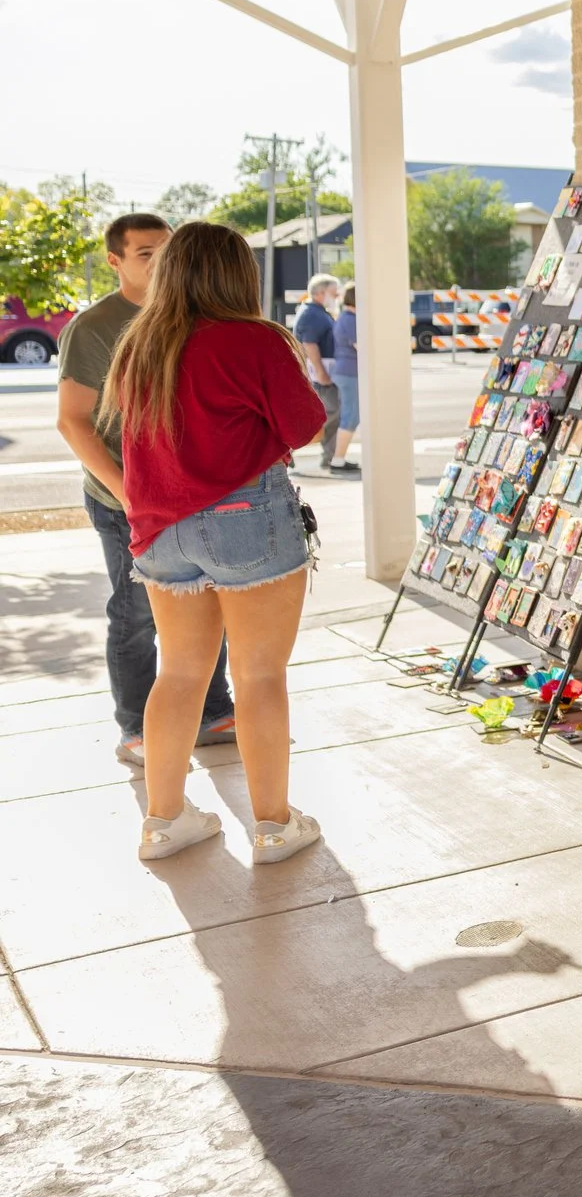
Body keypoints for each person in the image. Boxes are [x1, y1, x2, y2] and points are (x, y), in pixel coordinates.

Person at [102, 221, 329, 864]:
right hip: (244, 516)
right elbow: (305, 424)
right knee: (258, 675)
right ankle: (274, 826)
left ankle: (164, 821)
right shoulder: (253, 340)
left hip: (158, 529)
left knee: (177, 673)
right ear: (238, 274)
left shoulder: (139, 343)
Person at [55, 212, 236, 766]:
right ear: (115, 260)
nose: (159, 262)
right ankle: (135, 725)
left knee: (208, 601)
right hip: (124, 500)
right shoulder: (94, 327)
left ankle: (212, 710)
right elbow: (73, 421)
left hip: (193, 494)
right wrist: (128, 495)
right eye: (144, 253)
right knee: (137, 614)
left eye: (166, 250)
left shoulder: (193, 313)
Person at [293, 273, 351, 474]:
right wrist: (321, 372)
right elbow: (309, 345)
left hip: (323, 373)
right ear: (320, 293)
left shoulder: (316, 312)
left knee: (331, 415)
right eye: (333, 293)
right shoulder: (313, 315)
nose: (335, 298)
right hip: (322, 375)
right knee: (329, 415)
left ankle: (331, 456)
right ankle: (294, 450)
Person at [330, 284, 360, 472]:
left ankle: (338, 458)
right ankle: (338, 460)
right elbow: (361, 346)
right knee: (351, 416)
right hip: (350, 372)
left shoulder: (345, 317)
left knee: (350, 415)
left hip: (345, 371)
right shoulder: (351, 320)